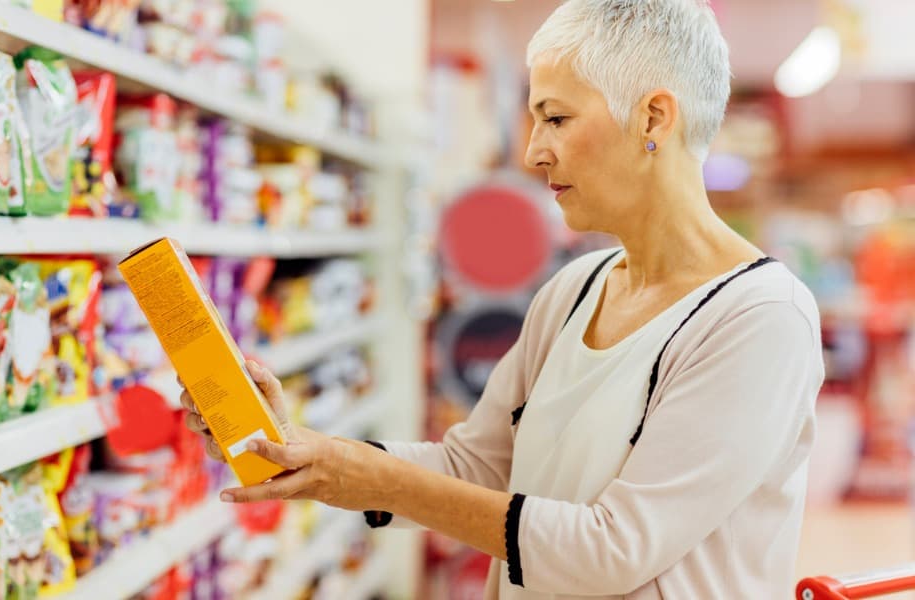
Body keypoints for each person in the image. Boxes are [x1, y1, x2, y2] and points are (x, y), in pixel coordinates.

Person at [181, 1, 824, 597]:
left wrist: (366, 478)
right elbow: (477, 465)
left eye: (557, 118)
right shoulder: (575, 290)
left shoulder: (759, 319)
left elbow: (616, 547)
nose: (533, 151)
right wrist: (304, 450)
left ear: (653, 117)